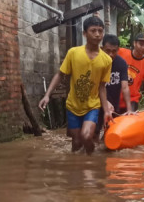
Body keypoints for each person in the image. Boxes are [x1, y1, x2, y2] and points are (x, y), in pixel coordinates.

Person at [38, 16, 113, 154]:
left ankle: (90, 162)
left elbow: (102, 87)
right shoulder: (73, 53)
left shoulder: (106, 60)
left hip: (92, 106)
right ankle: (79, 168)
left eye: (100, 31)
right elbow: (60, 75)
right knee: (77, 144)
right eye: (93, 30)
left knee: (86, 136)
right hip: (73, 105)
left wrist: (106, 110)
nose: (97, 34)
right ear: (85, 33)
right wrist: (47, 95)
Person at [117, 32, 144, 109]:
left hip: (132, 99)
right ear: (134, 43)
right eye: (141, 44)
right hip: (115, 97)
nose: (143, 47)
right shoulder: (121, 52)